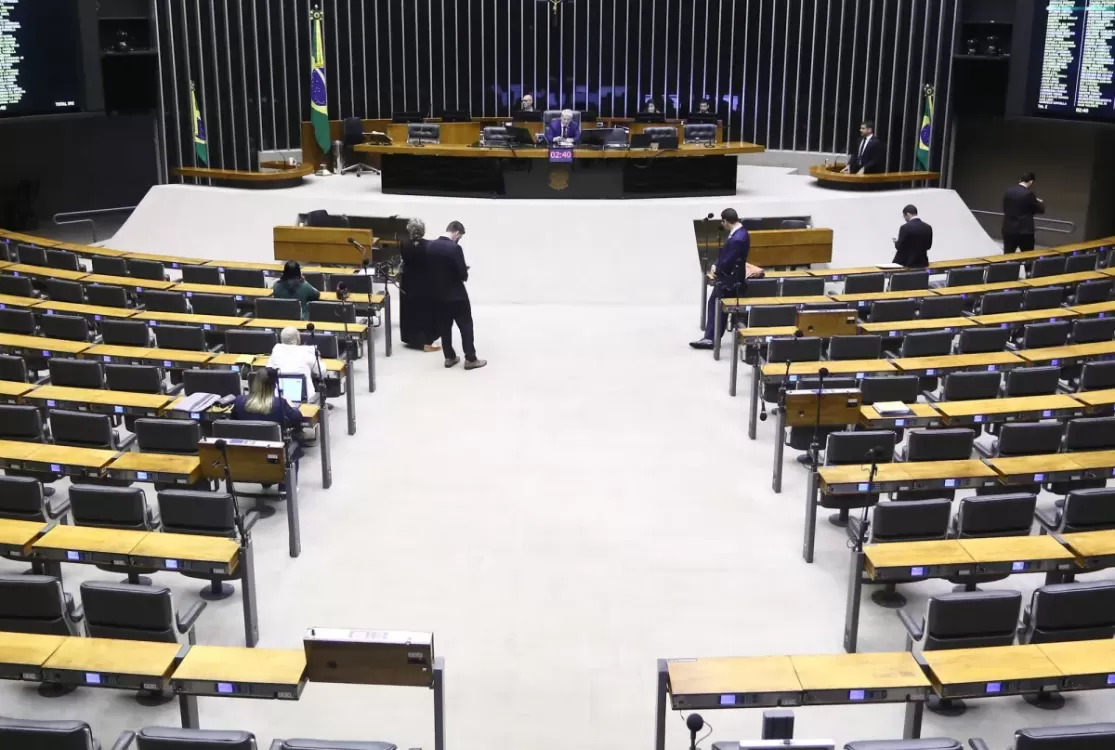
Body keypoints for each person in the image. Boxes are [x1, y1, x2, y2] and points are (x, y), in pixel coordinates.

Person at [427, 221, 486, 370]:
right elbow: (462, 275)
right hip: (456, 295)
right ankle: (470, 358)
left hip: (438, 294)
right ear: (457, 233)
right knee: (465, 325)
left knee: (444, 326)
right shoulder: (455, 248)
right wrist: (465, 270)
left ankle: (449, 357)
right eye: (460, 237)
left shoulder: (430, 246)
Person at [690, 208, 751, 350]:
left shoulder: (738, 238)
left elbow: (729, 259)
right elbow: (725, 253)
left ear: (725, 221)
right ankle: (712, 336)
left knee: (715, 304)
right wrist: (716, 263)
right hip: (729, 276)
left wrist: (718, 268)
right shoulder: (738, 233)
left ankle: (711, 339)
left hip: (731, 279)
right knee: (715, 303)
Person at [232, 367, 306, 463]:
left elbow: (234, 422)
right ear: (274, 386)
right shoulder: (280, 403)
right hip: (274, 454)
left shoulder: (239, 401)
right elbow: (298, 418)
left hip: (247, 452)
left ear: (254, 383)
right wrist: (292, 406)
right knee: (297, 441)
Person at [399, 218, 440, 351]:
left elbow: (404, 262)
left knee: (409, 310)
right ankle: (425, 339)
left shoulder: (404, 244)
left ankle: (410, 338)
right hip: (424, 283)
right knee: (423, 311)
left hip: (408, 282)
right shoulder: (429, 245)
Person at [267, 326, 321, 401]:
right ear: (298, 338)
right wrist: (318, 357)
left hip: (280, 398)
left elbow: (269, 368)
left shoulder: (276, 349)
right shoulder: (306, 351)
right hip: (306, 400)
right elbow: (321, 371)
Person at [1002, 172, 1045, 253]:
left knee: (1008, 255)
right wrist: (1039, 202)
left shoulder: (1008, 191)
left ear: (1020, 180)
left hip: (1008, 229)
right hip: (1025, 231)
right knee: (1027, 256)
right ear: (1031, 182)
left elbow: (1005, 209)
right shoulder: (1029, 194)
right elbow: (1040, 210)